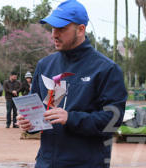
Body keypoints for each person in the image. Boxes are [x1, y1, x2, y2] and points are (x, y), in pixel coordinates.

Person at [17, 1, 127, 167]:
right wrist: (29, 123)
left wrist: (71, 118)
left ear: (81, 29)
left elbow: (113, 119)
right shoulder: (44, 65)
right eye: (52, 28)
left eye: (61, 29)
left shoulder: (106, 69)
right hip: (46, 162)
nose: (54, 34)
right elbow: (38, 113)